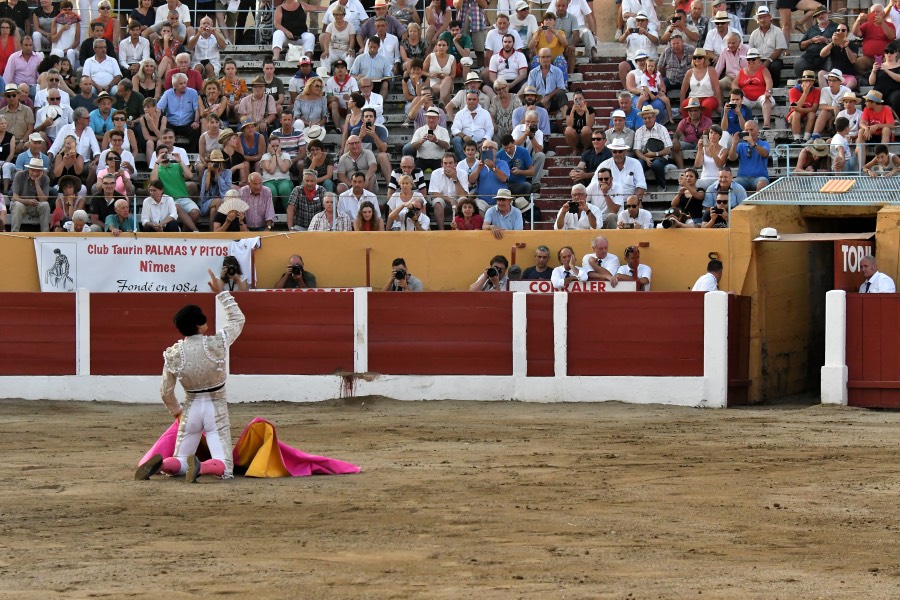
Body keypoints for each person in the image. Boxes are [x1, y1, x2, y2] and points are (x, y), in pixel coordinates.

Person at [134, 271, 245, 483]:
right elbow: (238, 319)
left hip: (190, 409)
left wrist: (177, 413)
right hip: (216, 407)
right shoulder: (216, 344)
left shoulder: (173, 354)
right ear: (198, 325)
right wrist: (221, 293)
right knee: (224, 466)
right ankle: (202, 467)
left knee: (180, 460)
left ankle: (163, 464)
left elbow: (165, 392)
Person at [727, 120, 770, 192]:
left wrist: (753, 144)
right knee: (731, 184)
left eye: (751, 130)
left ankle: (756, 202)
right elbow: (731, 158)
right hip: (742, 178)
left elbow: (765, 154)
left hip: (759, 178)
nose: (749, 132)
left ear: (757, 130)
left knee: (762, 183)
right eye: (747, 130)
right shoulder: (740, 145)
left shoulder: (764, 144)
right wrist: (734, 144)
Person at [10, 158, 51, 232]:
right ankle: (14, 233)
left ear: (42, 171)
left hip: (36, 206)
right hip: (21, 205)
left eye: (38, 171)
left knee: (45, 205)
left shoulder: (45, 179)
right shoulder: (19, 175)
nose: (35, 173)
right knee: (17, 205)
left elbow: (43, 200)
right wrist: (27, 201)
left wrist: (37, 183)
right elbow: (14, 198)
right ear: (28, 169)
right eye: (33, 170)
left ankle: (45, 234)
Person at [526, 48, 568, 113]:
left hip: (553, 100)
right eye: (543, 57)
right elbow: (531, 90)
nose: (545, 59)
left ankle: (566, 119)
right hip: (538, 101)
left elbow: (560, 88)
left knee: (562, 95)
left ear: (550, 58)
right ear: (539, 59)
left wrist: (548, 97)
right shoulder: (533, 73)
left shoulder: (558, 71)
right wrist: (540, 100)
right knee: (530, 100)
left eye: (547, 57)